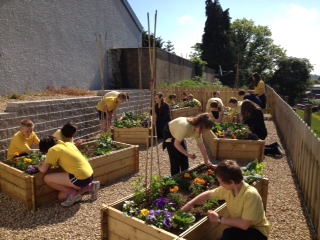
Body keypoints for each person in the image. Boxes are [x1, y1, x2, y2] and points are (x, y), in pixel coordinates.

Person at [181, 160, 270, 240]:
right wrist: (189, 204)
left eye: (220, 182)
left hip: (257, 232)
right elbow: (208, 194)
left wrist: (219, 219)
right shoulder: (228, 190)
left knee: (229, 235)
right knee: (228, 234)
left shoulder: (250, 194)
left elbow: (245, 225)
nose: (220, 184)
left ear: (231, 182)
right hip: (241, 230)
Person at [35, 136, 100, 207]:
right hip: (89, 175)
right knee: (61, 197)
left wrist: (37, 166)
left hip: (80, 178)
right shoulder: (69, 144)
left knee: (46, 178)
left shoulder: (53, 149)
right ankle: (91, 186)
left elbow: (43, 169)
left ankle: (74, 194)